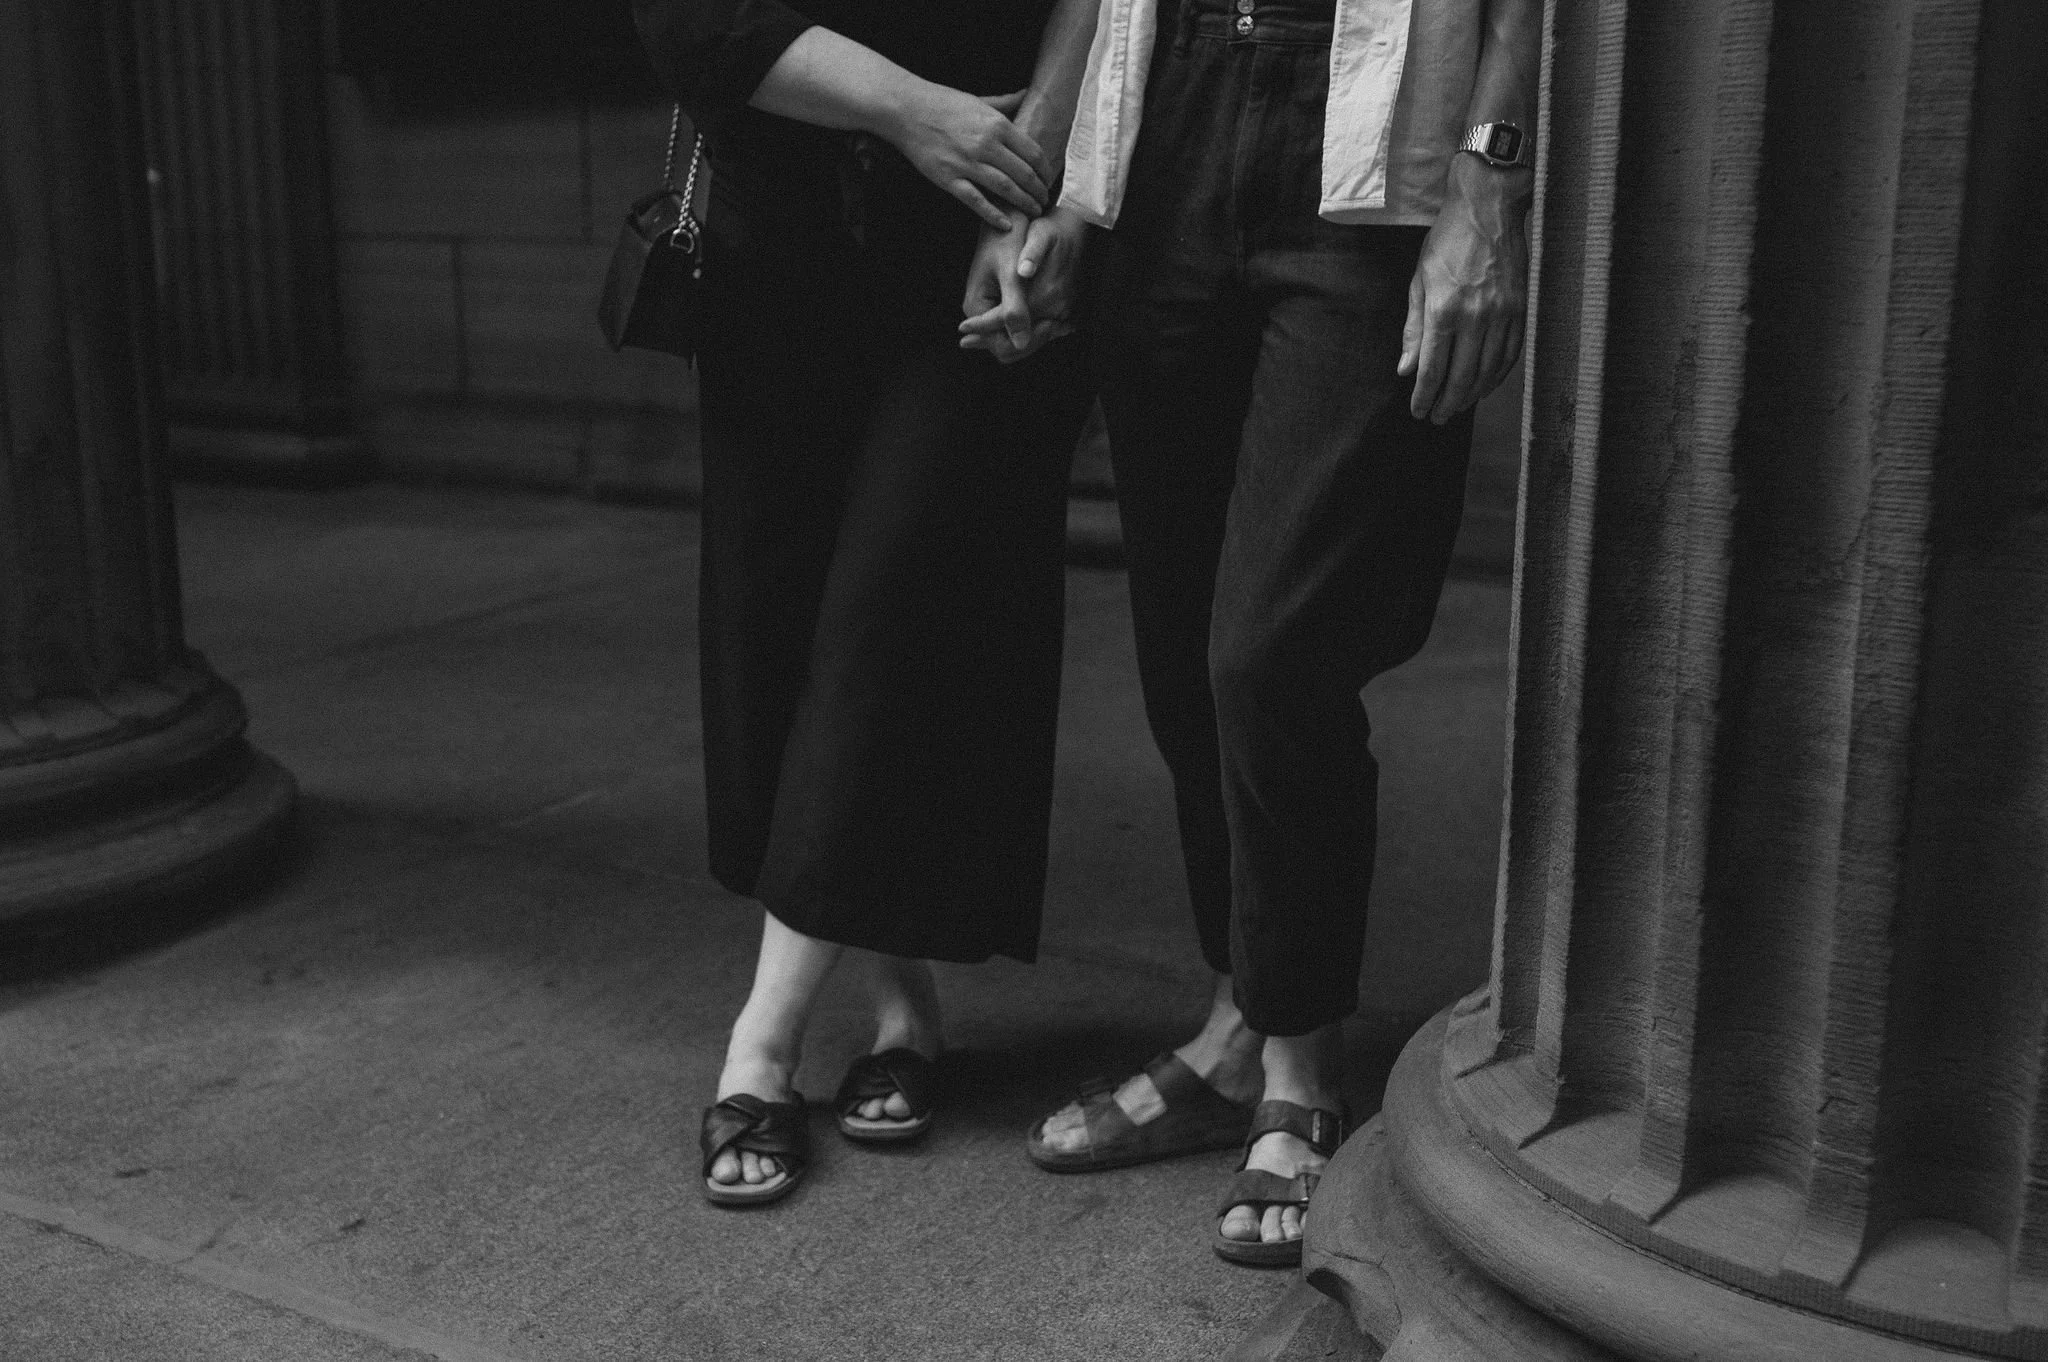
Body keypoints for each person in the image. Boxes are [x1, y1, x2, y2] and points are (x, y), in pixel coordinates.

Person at [963, 0, 1540, 1263]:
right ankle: (1241, 1027)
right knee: (1182, 641)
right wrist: (1055, 174)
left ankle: (1292, 1053)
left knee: (1270, 651)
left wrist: (1491, 188)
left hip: (1368, 150)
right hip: (1162, 127)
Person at [631, 0, 1098, 1206]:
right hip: (770, 242)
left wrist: (1032, 176)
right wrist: (914, 113)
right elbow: (694, 27)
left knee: (894, 610)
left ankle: (762, 1044)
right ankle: (902, 1001)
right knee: (779, 620)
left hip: (974, 229)